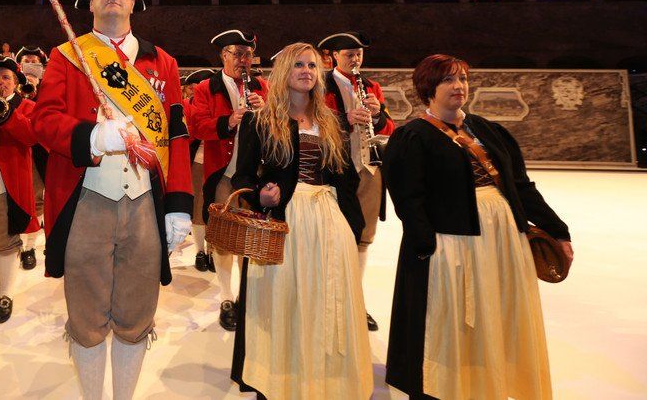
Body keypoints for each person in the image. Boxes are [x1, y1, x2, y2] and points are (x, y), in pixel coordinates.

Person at [33, 0, 192, 400]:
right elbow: (43, 121)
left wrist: (179, 204)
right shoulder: (68, 56)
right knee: (86, 315)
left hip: (145, 202)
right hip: (86, 199)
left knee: (137, 313)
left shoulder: (163, 61)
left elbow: (177, 135)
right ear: (90, 3)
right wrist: (92, 135)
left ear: (134, 1)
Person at [382, 54, 573, 400]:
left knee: (496, 314)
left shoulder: (488, 130)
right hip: (451, 243)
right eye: (448, 80)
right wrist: (428, 247)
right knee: (449, 321)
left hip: (503, 239)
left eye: (463, 79)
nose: (458, 86)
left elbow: (521, 186)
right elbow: (409, 200)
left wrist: (558, 230)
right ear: (428, 88)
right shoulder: (412, 136)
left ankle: (489, 386)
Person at [230, 42, 372, 399]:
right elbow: (242, 176)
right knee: (284, 301)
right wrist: (259, 195)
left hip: (329, 220)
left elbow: (346, 177)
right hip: (284, 224)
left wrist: (350, 223)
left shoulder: (332, 121)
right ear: (283, 72)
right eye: (298, 65)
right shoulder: (259, 121)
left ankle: (326, 383)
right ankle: (281, 381)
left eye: (311, 65)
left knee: (327, 300)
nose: (306, 71)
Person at [186, 29, 268, 331]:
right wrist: (230, 120)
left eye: (248, 54)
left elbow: (280, 126)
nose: (244, 60)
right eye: (238, 54)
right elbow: (197, 126)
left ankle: (246, 294)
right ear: (224, 55)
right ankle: (226, 296)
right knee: (223, 239)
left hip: (254, 174)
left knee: (250, 237)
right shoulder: (206, 87)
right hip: (223, 173)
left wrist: (266, 111)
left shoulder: (262, 86)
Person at [316, 30, 395, 331]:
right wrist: (345, 119)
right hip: (336, 168)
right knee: (336, 234)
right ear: (334, 56)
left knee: (364, 236)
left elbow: (388, 127)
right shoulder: (320, 83)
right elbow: (312, 122)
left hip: (369, 168)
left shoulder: (371, 86)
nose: (356, 59)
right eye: (349, 54)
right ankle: (332, 298)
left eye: (359, 54)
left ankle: (356, 299)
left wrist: (376, 115)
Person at [0, 54, 41, 323]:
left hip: (8, 186)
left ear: (16, 83)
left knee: (5, 243)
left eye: (6, 77)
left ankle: (6, 295)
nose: (0, 82)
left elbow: (30, 136)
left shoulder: (26, 106)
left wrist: (6, 114)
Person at [15, 45, 48, 269]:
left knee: (43, 198)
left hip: (43, 150)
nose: (30, 65)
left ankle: (37, 244)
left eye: (34, 62)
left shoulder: (49, 86)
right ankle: (24, 246)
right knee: (26, 199)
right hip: (20, 149)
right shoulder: (12, 84)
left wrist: (38, 89)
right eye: (26, 61)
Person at [181, 68, 214, 272]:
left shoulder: (221, 102)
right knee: (198, 208)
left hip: (221, 160)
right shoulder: (187, 105)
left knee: (217, 208)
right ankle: (200, 251)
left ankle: (213, 251)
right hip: (199, 160)